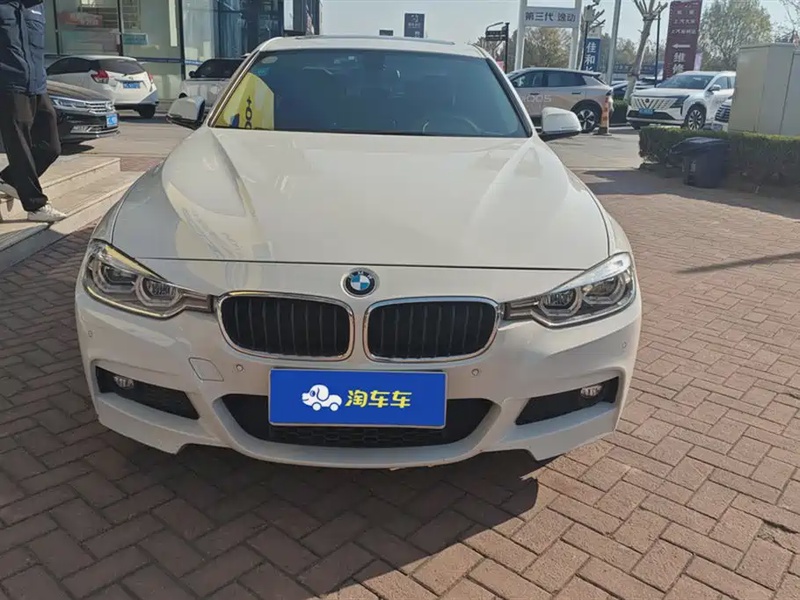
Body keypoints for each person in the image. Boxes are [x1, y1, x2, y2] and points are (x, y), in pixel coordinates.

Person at [0, 0, 66, 222]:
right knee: (19, 146)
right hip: (8, 85)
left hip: (37, 85)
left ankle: (9, 179)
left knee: (51, 146)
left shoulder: (36, 7)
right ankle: (36, 206)